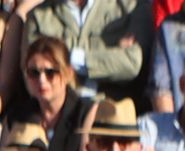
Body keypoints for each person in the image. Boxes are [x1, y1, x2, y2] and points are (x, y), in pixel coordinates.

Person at [21, 0, 152, 102]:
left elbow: (132, 63)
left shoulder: (131, 7)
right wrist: (111, 54)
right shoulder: (39, 17)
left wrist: (70, 57)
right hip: (60, 116)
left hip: (113, 112)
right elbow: (33, 77)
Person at [2, 35, 88, 151]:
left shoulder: (84, 113)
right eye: (34, 73)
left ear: (68, 73)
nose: (42, 80)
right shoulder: (17, 115)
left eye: (50, 73)